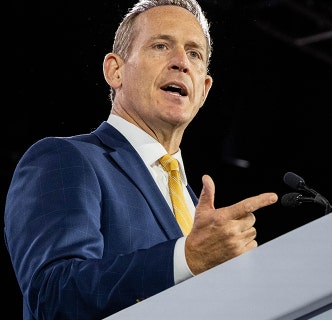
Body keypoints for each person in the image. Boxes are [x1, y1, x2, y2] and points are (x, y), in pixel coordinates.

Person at [3, 0, 278, 319]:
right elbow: (53, 295)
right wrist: (185, 258)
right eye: (161, 45)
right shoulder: (66, 159)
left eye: (194, 53)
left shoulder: (196, 211)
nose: (181, 63)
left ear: (203, 90)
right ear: (115, 70)